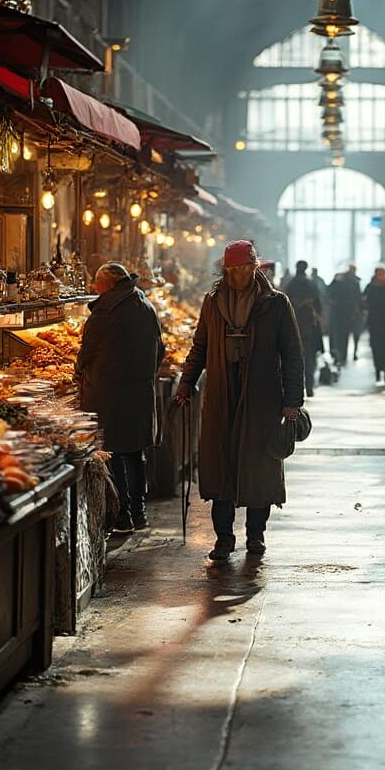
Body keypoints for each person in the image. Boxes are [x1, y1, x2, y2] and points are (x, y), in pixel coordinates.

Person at [176, 240, 305, 561]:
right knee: (221, 465)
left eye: (245, 267)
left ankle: (256, 535)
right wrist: (186, 383)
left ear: (254, 266)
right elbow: (200, 346)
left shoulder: (275, 303)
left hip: (262, 395)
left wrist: (293, 400)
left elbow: (292, 354)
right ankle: (223, 538)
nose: (240, 274)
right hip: (222, 392)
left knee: (259, 465)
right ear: (226, 270)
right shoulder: (212, 301)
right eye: (233, 269)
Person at [76, 262, 165, 533]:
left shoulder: (105, 310)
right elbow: (160, 348)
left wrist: (79, 371)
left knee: (112, 451)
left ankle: (121, 515)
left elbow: (87, 348)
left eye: (97, 283)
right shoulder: (145, 305)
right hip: (138, 390)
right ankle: (138, 513)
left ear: (109, 285)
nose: (94, 287)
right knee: (134, 451)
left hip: (108, 391)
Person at [285, 260, 324, 398]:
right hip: (309, 326)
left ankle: (298, 389)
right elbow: (319, 305)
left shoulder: (290, 284)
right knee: (310, 357)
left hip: (293, 326)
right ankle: (309, 387)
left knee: (294, 359)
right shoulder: (311, 284)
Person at [364, 265, 385, 383]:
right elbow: (364, 302)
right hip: (375, 323)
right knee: (376, 347)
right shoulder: (370, 287)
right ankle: (378, 370)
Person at [328, 263, 363, 365]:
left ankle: (339, 354)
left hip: (338, 311)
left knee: (339, 334)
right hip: (350, 312)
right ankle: (344, 354)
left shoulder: (339, 279)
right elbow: (358, 297)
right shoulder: (355, 282)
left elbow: (329, 292)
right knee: (350, 334)